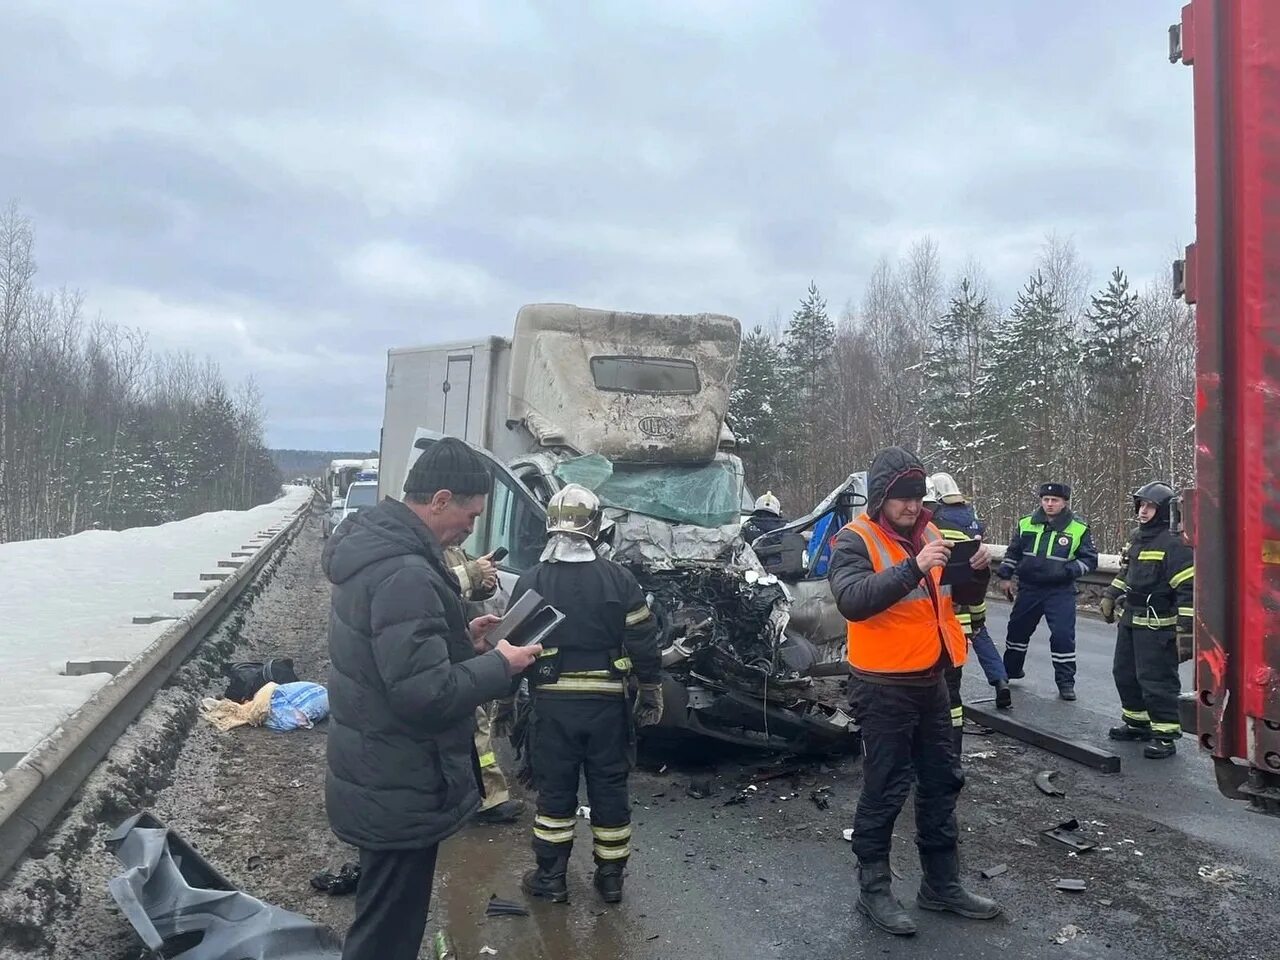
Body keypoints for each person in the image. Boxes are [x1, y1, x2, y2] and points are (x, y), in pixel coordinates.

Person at [322, 437, 542, 960]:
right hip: (400, 780)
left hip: (381, 769)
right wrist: (499, 666)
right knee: (387, 937)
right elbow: (425, 694)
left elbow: (394, 658)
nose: (471, 528)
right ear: (440, 500)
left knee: (384, 923)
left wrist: (462, 641)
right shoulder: (406, 572)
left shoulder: (384, 555)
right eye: (470, 515)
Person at [828, 447, 1000, 937]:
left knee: (942, 780)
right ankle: (874, 890)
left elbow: (959, 597)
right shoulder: (854, 540)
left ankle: (941, 885)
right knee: (885, 787)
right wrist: (914, 567)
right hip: (882, 685)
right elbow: (853, 601)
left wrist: (978, 570)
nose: (910, 506)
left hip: (934, 678)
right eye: (901, 498)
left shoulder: (932, 531)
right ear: (881, 497)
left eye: (916, 496)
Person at [511, 484, 663, 905]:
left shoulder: (533, 579)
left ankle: (551, 878)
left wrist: (505, 700)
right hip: (607, 708)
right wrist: (650, 690)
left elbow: (514, 647)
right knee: (610, 791)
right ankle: (610, 879)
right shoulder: (619, 579)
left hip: (552, 709)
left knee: (555, 793)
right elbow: (643, 640)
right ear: (596, 529)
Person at [1101, 482, 1194, 759]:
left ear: (1164, 510)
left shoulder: (1175, 543)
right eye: (1141, 505)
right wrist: (1110, 595)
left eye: (1150, 506)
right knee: (1125, 674)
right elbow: (1125, 573)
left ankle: (1165, 735)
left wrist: (1185, 632)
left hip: (1158, 625)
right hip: (1130, 619)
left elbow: (1188, 589)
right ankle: (1137, 723)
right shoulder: (1136, 537)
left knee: (1156, 680)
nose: (1143, 511)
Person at [443, 545, 526, 825]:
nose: (470, 527)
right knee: (475, 726)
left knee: (475, 727)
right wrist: (472, 572)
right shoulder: (419, 551)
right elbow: (433, 588)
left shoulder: (450, 548)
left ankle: (485, 797)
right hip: (442, 655)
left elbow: (462, 595)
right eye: (469, 516)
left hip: (457, 646)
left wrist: (485, 583)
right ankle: (486, 799)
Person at [996, 482, 1098, 701]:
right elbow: (1013, 552)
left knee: (1063, 637)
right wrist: (1005, 576)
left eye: (1055, 500)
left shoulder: (1078, 528)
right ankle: (1011, 670)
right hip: (1029, 588)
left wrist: (1066, 571)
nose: (1049, 504)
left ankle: (1065, 683)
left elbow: (1090, 560)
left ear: (1065, 503)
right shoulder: (1026, 524)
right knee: (1017, 632)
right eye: (1046, 500)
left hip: (1060, 591)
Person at [927, 473, 1012, 716]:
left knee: (946, 685)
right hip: (967, 595)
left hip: (944, 607)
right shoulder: (970, 515)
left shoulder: (937, 521)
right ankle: (1000, 681)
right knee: (980, 634)